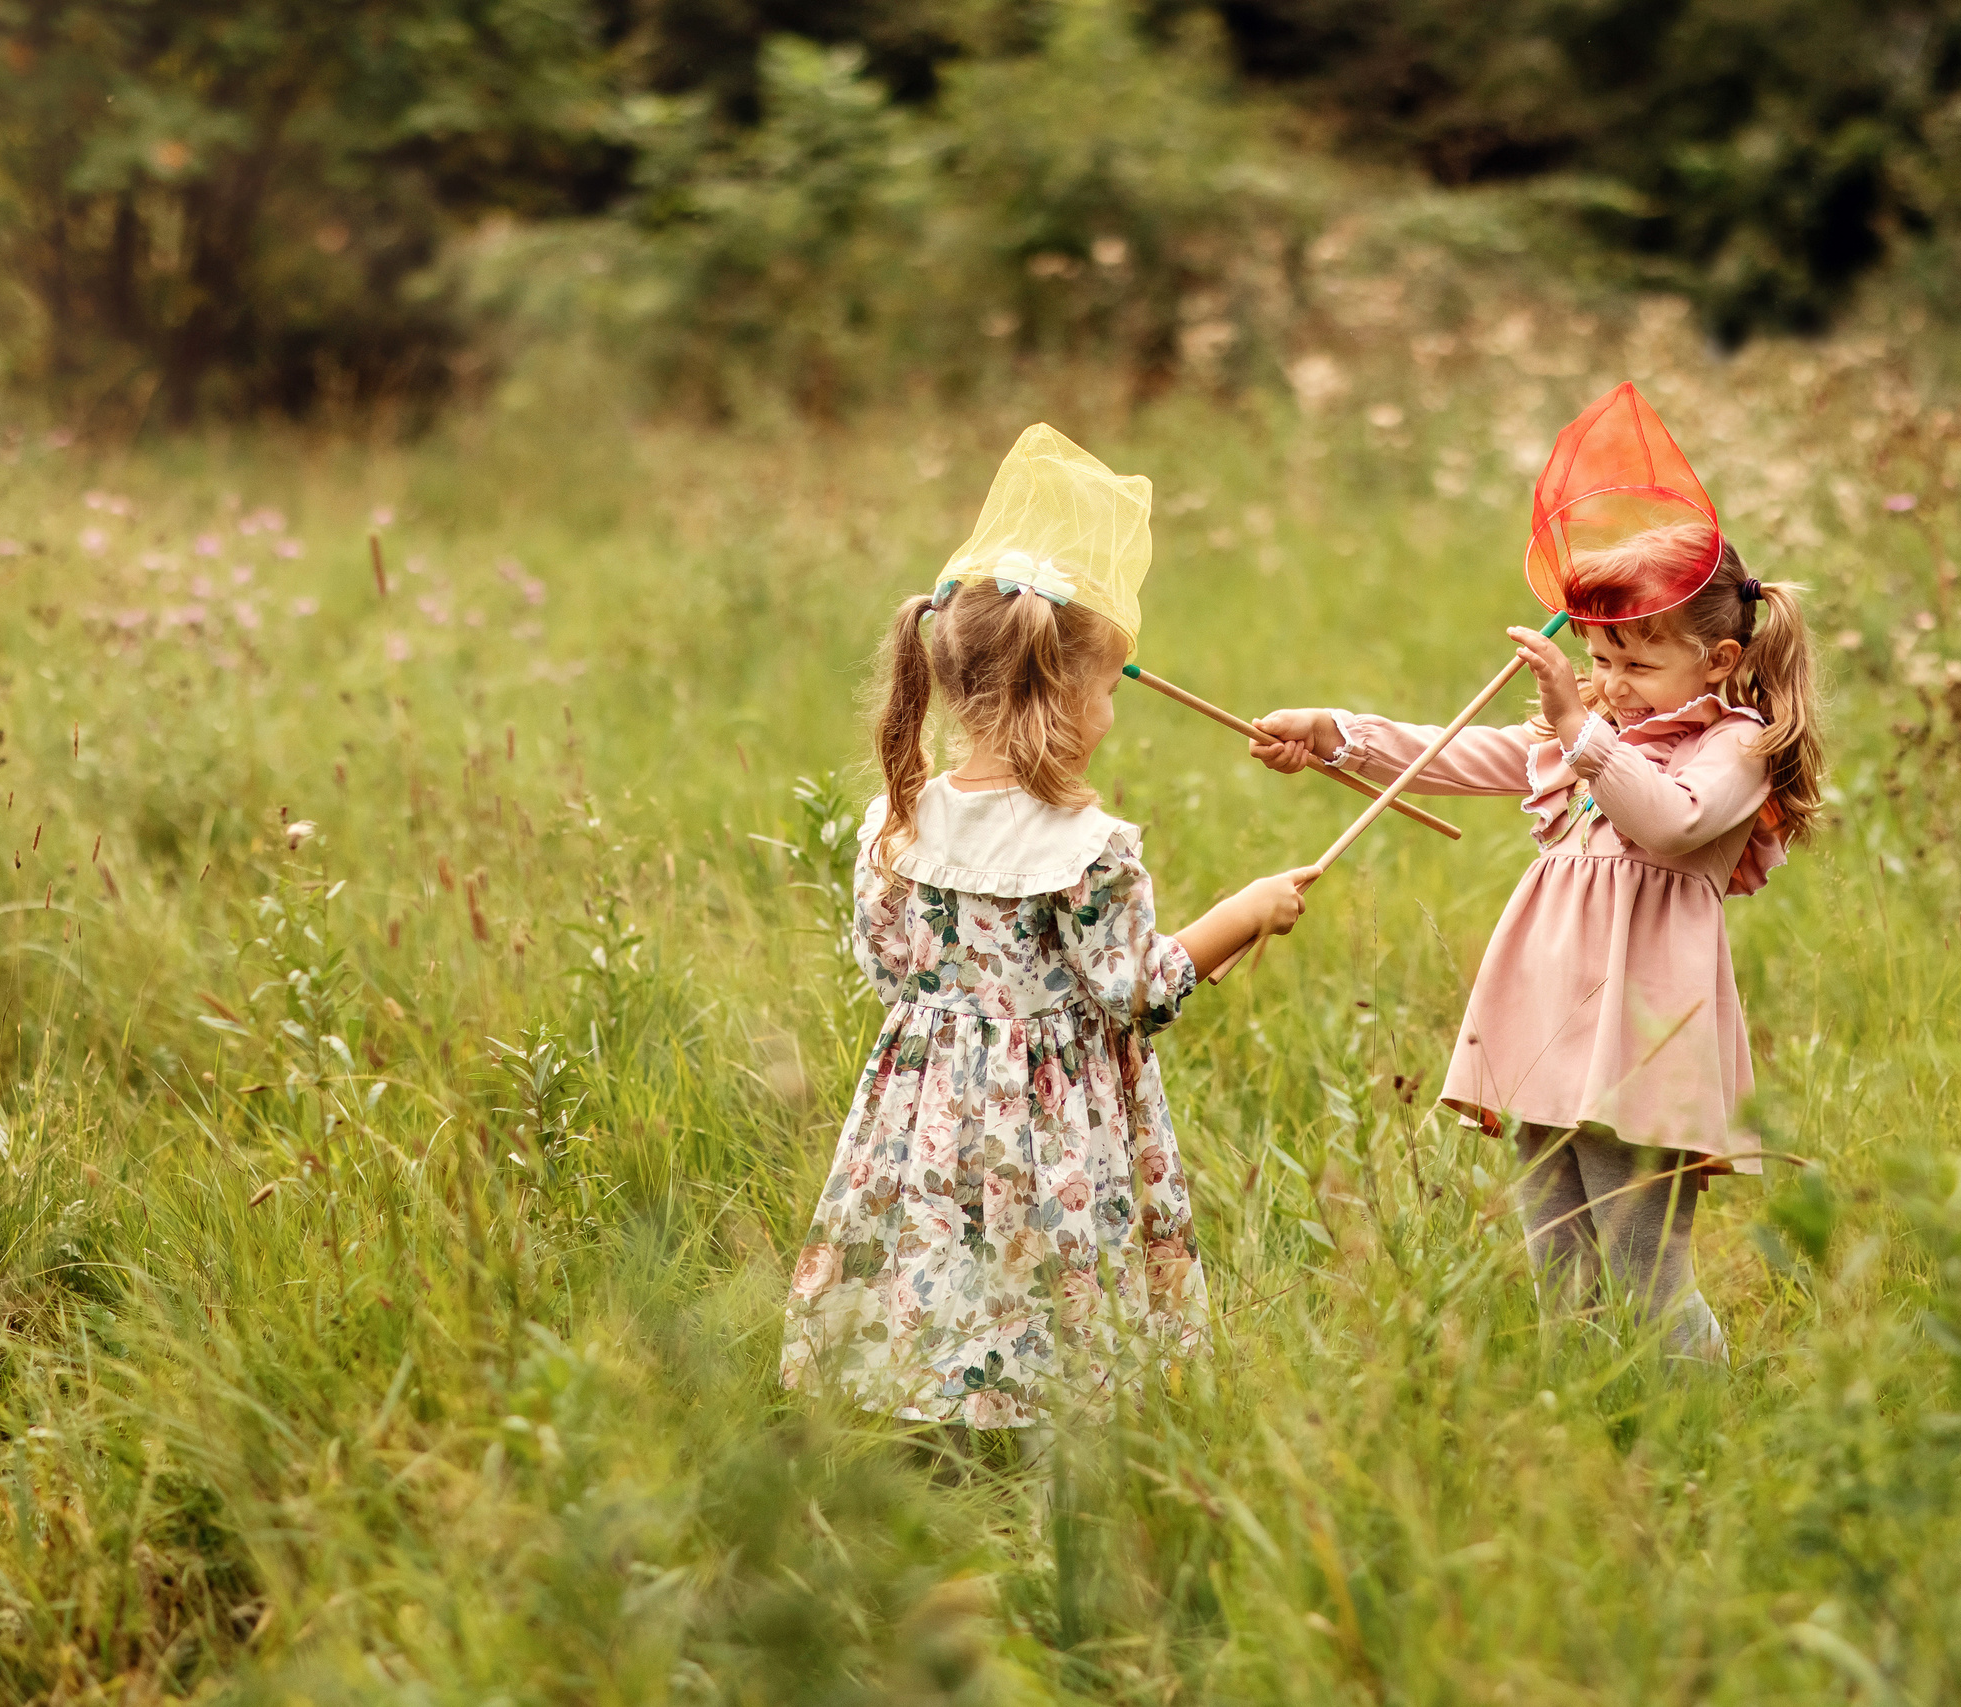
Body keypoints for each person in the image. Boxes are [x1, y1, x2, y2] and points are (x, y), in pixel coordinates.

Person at [1250, 389, 1824, 1362]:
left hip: (1644, 1044)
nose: (1606, 681)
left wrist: (1579, 728)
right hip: (1551, 1024)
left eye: (1634, 662)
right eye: (1597, 657)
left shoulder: (1732, 750)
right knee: (1560, 1265)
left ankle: (1697, 1429)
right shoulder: (1596, 739)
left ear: (1718, 659)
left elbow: (1670, 823)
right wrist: (1336, 734)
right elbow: (1452, 754)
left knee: (1646, 1276)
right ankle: (1598, 1422)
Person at [782, 424, 1312, 1430]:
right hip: (1050, 1117)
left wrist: (963, 1020)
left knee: (943, 1247)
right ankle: (1039, 1439)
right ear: (1065, 696)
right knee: (1046, 1247)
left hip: (927, 1106)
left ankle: (932, 1419)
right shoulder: (1087, 846)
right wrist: (1244, 916)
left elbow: (888, 966)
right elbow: (1135, 990)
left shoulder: (896, 820)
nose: (1111, 709)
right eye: (1108, 688)